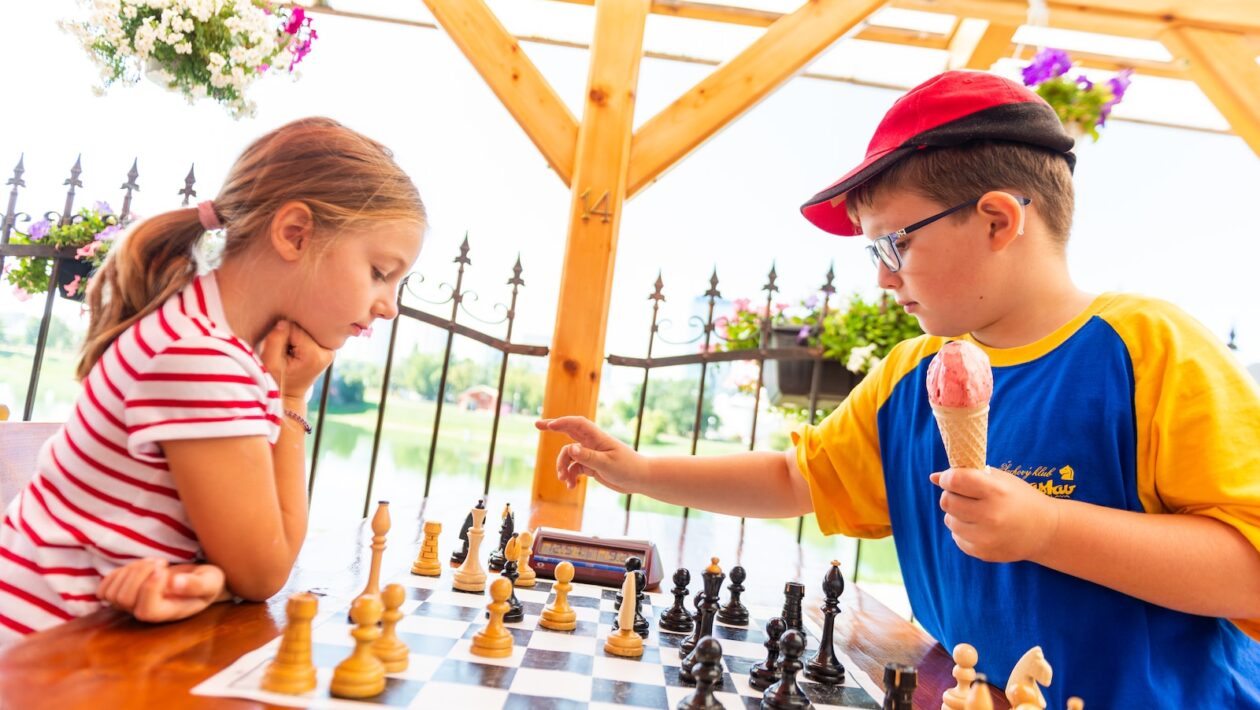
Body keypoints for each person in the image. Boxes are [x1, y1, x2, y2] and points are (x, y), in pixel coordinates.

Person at [537, 71, 1260, 707]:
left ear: (998, 220)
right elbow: (795, 478)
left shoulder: (1150, 349)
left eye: (895, 243)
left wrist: (1049, 530)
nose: (882, 276)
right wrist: (638, 470)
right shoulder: (910, 374)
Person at [0, 117, 426, 642]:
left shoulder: (207, 338)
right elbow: (265, 573)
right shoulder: (199, 358)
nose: (389, 307)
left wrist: (215, 580)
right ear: (295, 234)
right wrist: (293, 397)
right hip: (34, 657)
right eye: (381, 273)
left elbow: (246, 562)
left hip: (82, 646)